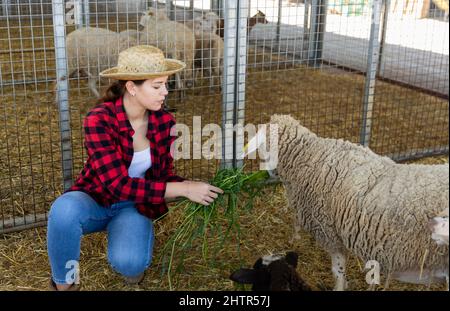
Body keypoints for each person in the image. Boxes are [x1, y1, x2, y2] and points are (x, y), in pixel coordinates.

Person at [47, 45, 223, 291]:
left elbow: (164, 175)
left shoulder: (165, 122)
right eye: (157, 86)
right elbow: (117, 184)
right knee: (64, 210)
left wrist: (198, 188)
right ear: (131, 87)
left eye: (165, 84)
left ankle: (129, 245)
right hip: (96, 199)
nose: (165, 92)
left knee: (130, 263)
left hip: (134, 205)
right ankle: (65, 284)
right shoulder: (99, 119)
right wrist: (184, 188)